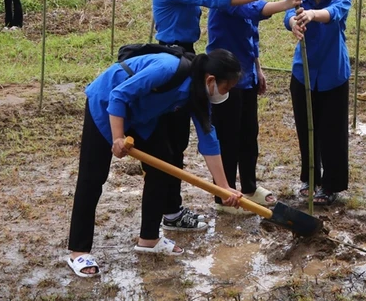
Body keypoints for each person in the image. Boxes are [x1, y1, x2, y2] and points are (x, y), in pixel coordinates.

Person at [152, 0, 300, 229]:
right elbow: (219, 0)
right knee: (184, 138)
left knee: (224, 134)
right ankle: (176, 208)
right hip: (171, 57)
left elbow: (253, 25)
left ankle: (224, 192)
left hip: (187, 55)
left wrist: (284, 2)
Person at [65, 48, 244, 277]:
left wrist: (224, 187)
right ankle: (78, 251)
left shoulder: (199, 93)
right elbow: (118, 95)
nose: (225, 93)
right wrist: (118, 137)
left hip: (140, 117)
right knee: (93, 177)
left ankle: (148, 238)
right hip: (106, 104)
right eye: (226, 88)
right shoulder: (167, 68)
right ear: (211, 79)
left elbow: (209, 140)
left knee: (163, 165)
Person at [207, 0, 302, 213]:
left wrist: (258, 69)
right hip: (226, 76)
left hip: (246, 73)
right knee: (227, 137)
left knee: (249, 134)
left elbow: (252, 35)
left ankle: (249, 187)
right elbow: (254, 10)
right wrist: (284, 2)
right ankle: (222, 196)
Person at [285, 0, 352, 205]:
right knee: (306, 128)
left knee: (332, 132)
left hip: (334, 73)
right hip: (303, 73)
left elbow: (334, 13)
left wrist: (312, 14)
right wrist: (293, 22)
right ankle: (310, 178)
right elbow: (287, 15)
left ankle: (332, 183)